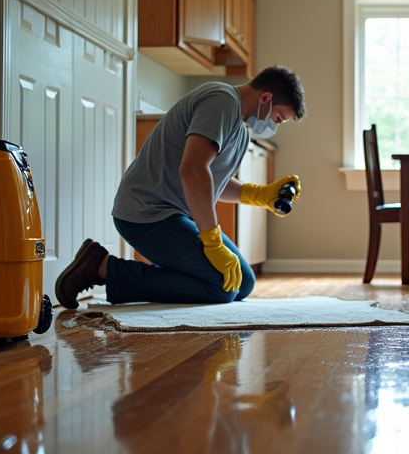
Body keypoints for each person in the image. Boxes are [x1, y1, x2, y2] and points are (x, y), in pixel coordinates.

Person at [54, 65, 306, 308]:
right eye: (277, 118)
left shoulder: (240, 130)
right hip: (147, 215)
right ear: (265, 98)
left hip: (170, 216)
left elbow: (211, 178)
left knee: (243, 281)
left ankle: (127, 270)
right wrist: (212, 241)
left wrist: (260, 195)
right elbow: (193, 170)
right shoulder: (221, 102)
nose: (273, 126)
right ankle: (103, 267)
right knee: (223, 287)